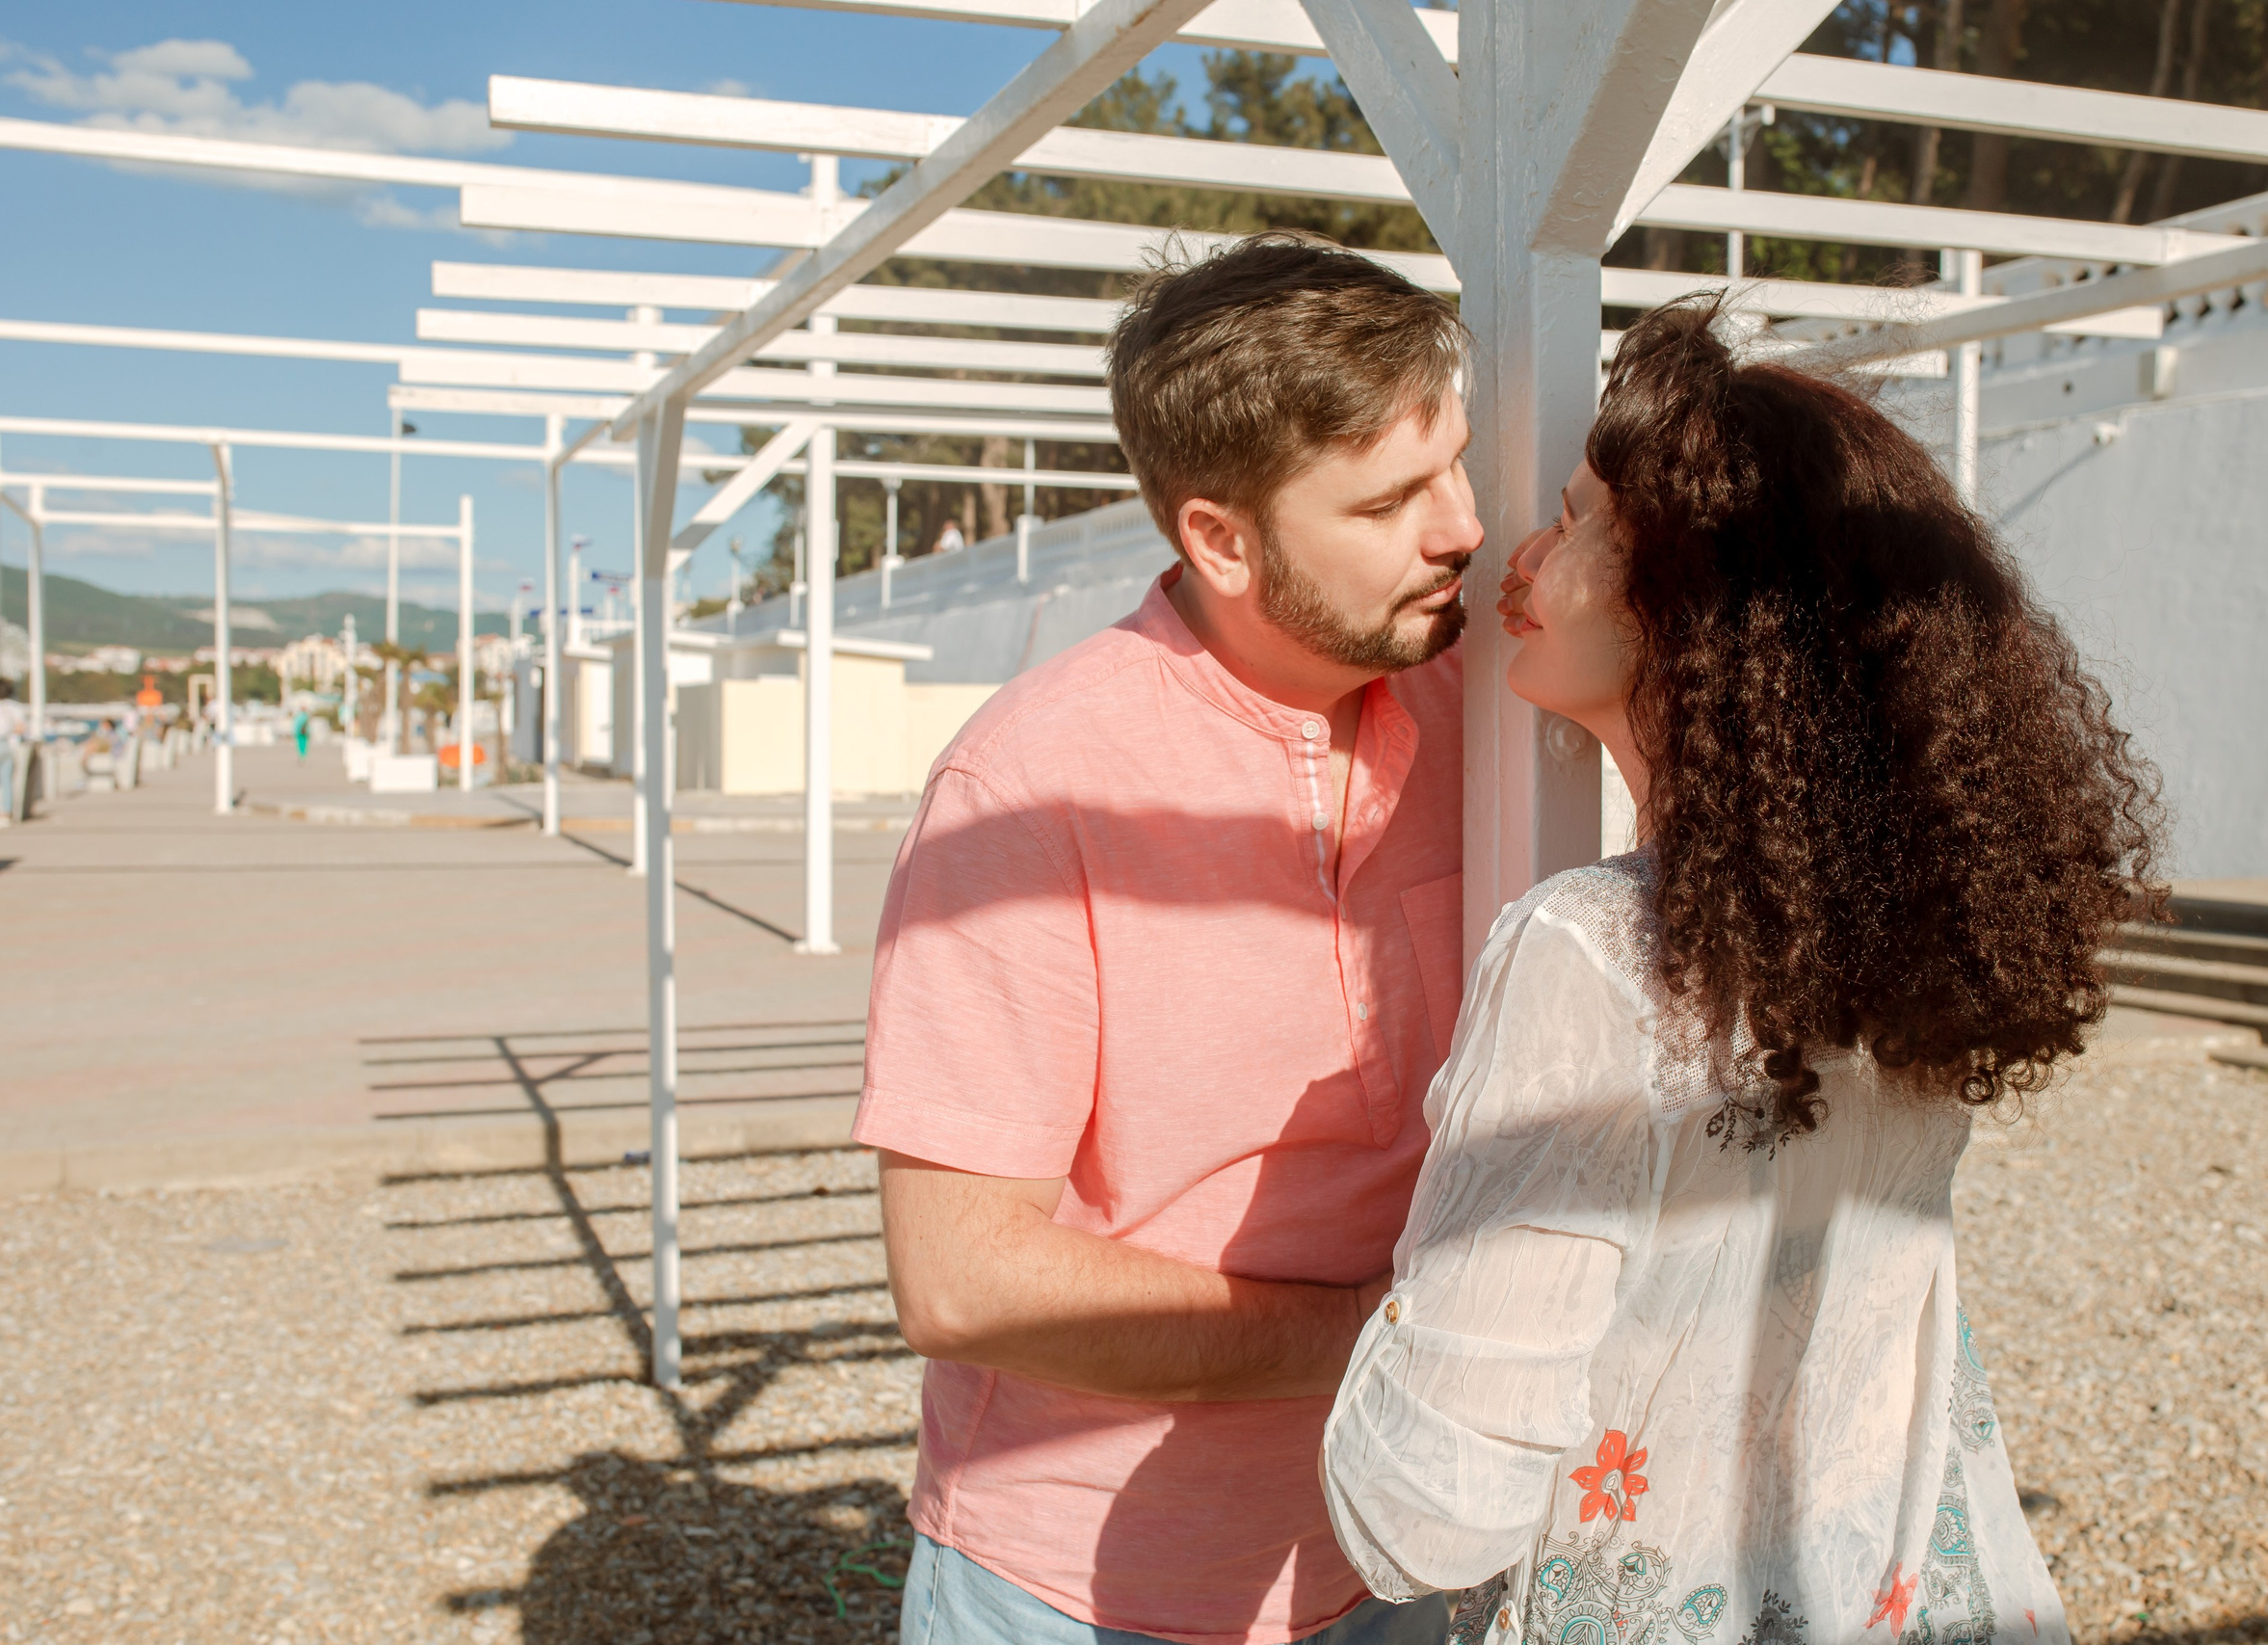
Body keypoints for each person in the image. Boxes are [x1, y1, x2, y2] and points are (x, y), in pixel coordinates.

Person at [1321, 302, 2162, 1645]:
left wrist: (1378, 1308)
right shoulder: (1907, 941)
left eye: (1577, 514)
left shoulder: (1591, 952)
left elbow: (1428, 1511)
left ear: (1697, 592)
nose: (1520, 557)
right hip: (1900, 1594)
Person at [856, 233, 1481, 1645]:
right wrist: (1381, 1337)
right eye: (1390, 500)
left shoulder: (1482, 713)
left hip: (1403, 1543)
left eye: (1456, 465)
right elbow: (961, 1277)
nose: (1458, 528)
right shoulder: (1024, 789)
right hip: (1086, 1587)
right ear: (1219, 538)